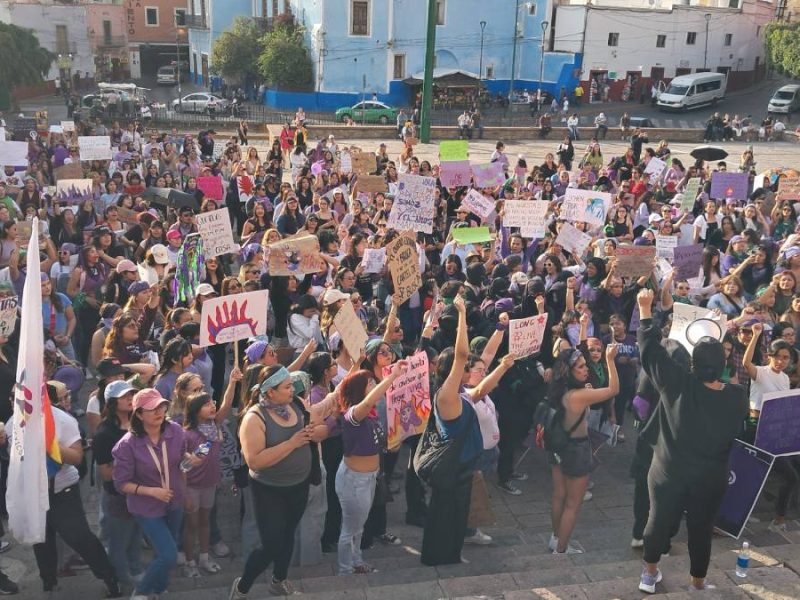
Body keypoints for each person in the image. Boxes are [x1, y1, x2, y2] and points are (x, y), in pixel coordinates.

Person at [635, 289, 748, 594]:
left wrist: (645, 310)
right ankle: (698, 583)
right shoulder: (737, 397)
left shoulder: (677, 384)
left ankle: (649, 574)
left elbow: (651, 353)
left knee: (657, 522)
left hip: (668, 472)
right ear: (723, 364)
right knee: (700, 529)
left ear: (692, 363)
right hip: (710, 478)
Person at [228, 365, 326, 598]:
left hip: (299, 484)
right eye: (287, 386)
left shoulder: (298, 405)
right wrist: (292, 443)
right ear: (270, 392)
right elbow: (254, 461)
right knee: (271, 544)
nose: (293, 389)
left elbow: (322, 428)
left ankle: (279, 580)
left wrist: (315, 433)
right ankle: (242, 587)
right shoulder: (254, 418)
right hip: (269, 490)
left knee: (289, 533)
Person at [28, 383, 121, 596]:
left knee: (79, 537)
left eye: (67, 394)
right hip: (33, 493)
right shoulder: (16, 422)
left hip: (62, 492)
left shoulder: (63, 420)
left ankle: (108, 577)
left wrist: (49, 444)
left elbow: (77, 457)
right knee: (40, 541)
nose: (69, 398)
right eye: (64, 395)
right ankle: (48, 583)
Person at [113, 389, 199, 600]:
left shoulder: (176, 431)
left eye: (161, 406)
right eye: (152, 409)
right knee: (170, 556)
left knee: (164, 552)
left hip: (174, 501)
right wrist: (152, 491)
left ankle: (159, 589)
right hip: (146, 507)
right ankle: (141, 591)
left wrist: (190, 460)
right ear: (139, 414)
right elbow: (121, 484)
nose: (159, 412)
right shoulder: (127, 445)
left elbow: (180, 462)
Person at [420, 296, 484, 566]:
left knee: (458, 514)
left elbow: (484, 359)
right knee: (445, 514)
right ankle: (440, 557)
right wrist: (461, 315)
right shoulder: (447, 395)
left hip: (464, 466)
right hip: (452, 469)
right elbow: (461, 355)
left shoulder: (461, 392)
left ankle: (452, 554)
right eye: (467, 368)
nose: (471, 370)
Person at [548, 343, 619, 554]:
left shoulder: (560, 390)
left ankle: (555, 537)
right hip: (576, 450)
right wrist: (610, 360)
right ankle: (561, 550)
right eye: (579, 367)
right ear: (569, 372)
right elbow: (614, 389)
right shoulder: (578, 396)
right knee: (573, 503)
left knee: (559, 494)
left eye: (584, 364)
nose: (585, 368)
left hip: (557, 446)